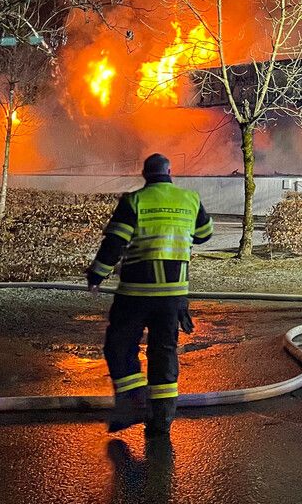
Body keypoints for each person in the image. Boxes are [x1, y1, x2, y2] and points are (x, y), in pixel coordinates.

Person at [87, 153, 214, 437]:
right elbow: (205, 234)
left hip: (136, 293)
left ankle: (134, 401)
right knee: (164, 351)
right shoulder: (190, 200)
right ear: (170, 172)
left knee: (119, 345)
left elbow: (115, 243)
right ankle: (162, 417)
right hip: (173, 295)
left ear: (145, 175)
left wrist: (96, 276)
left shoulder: (135, 201)